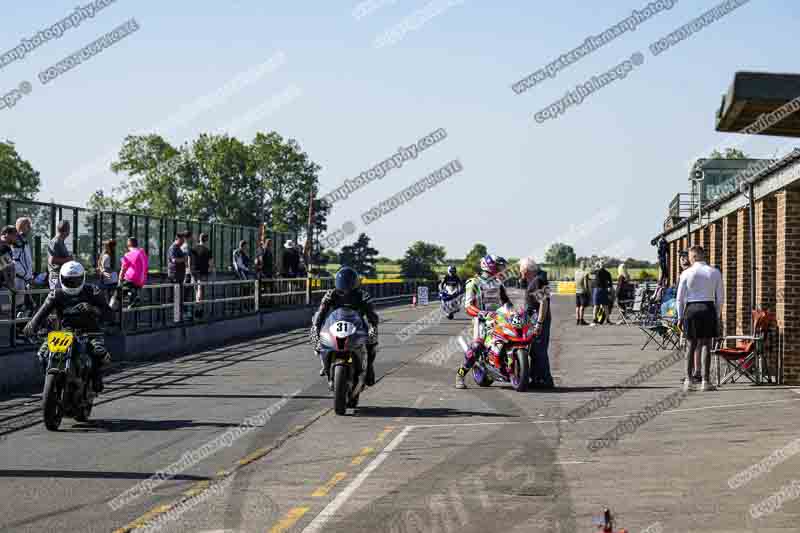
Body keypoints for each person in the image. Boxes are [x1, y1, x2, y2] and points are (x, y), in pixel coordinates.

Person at [23, 261, 111, 393]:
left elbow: (109, 313)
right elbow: (41, 313)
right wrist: (30, 327)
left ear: (83, 278)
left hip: (90, 332)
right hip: (64, 333)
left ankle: (96, 377)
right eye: (68, 280)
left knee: (99, 353)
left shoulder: (92, 291)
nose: (72, 284)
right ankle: (50, 379)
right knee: (42, 354)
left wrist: (92, 309)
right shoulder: (56, 294)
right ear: (61, 278)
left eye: (75, 280)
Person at [311, 266, 379, 386]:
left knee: (372, 340)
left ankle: (369, 368)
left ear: (355, 282)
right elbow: (321, 312)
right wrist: (316, 326)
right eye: (343, 282)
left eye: (349, 282)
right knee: (316, 335)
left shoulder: (362, 295)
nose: (346, 286)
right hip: (335, 323)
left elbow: (371, 314)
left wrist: (373, 325)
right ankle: (324, 363)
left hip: (357, 324)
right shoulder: (330, 294)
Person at [455, 254, 512, 389]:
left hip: (499, 318)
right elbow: (468, 306)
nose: (501, 269)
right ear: (490, 266)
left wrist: (514, 312)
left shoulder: (498, 282)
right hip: (481, 319)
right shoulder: (473, 282)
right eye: (498, 266)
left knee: (513, 337)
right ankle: (460, 375)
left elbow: (506, 301)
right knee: (477, 347)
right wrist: (481, 313)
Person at [677, 246, 723, 392]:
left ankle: (688, 381)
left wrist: (679, 316)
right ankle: (705, 381)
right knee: (706, 345)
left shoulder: (686, 273)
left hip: (691, 309)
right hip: (708, 308)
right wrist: (717, 315)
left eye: (690, 257)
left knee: (690, 345)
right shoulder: (714, 272)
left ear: (695, 256)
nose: (688, 260)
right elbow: (720, 298)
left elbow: (679, 298)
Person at [520, 256, 554, 389]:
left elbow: (543, 303)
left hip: (539, 321)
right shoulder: (538, 279)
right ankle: (536, 379)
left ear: (526, 271)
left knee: (538, 350)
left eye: (521, 271)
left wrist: (539, 323)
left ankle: (545, 380)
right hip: (536, 320)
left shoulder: (537, 281)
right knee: (535, 350)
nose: (521, 274)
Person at [12, 218, 35, 317]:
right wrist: (26, 275)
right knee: (19, 308)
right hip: (18, 280)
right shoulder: (16, 241)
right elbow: (15, 262)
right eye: (28, 226)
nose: (30, 228)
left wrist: (30, 275)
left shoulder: (23, 241)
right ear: (21, 226)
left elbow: (26, 261)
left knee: (29, 307)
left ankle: (21, 325)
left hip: (24, 281)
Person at [118, 237, 148, 309]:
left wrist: (120, 279)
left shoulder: (128, 254)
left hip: (132, 279)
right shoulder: (142, 252)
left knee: (121, 287)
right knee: (132, 287)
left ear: (128, 245)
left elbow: (123, 268)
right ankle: (133, 297)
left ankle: (130, 296)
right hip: (142, 280)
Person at [48, 220, 73, 290]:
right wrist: (68, 260)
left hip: (62, 275)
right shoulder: (55, 242)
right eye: (69, 230)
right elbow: (52, 260)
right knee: (56, 295)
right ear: (66, 231)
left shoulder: (61, 241)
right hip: (56, 276)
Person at [167, 233, 188, 317]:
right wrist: (184, 259)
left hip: (179, 275)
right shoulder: (173, 248)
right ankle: (176, 316)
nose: (183, 242)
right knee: (176, 295)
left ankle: (178, 315)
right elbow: (174, 260)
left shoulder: (178, 248)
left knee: (179, 295)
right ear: (178, 239)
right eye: (182, 240)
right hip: (175, 274)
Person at [591, 261, 613, 326]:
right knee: (605, 306)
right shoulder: (607, 273)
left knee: (596, 306)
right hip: (604, 290)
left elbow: (591, 272)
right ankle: (608, 320)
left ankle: (594, 320)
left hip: (597, 289)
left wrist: (595, 265)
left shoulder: (596, 271)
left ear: (599, 265)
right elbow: (610, 284)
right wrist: (610, 291)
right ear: (604, 265)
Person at [574, 261, 590, 326]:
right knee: (582, 306)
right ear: (585, 266)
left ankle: (577, 320)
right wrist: (588, 291)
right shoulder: (585, 273)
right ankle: (581, 320)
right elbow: (586, 284)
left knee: (577, 306)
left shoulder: (576, 272)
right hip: (582, 291)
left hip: (577, 291)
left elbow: (575, 281)